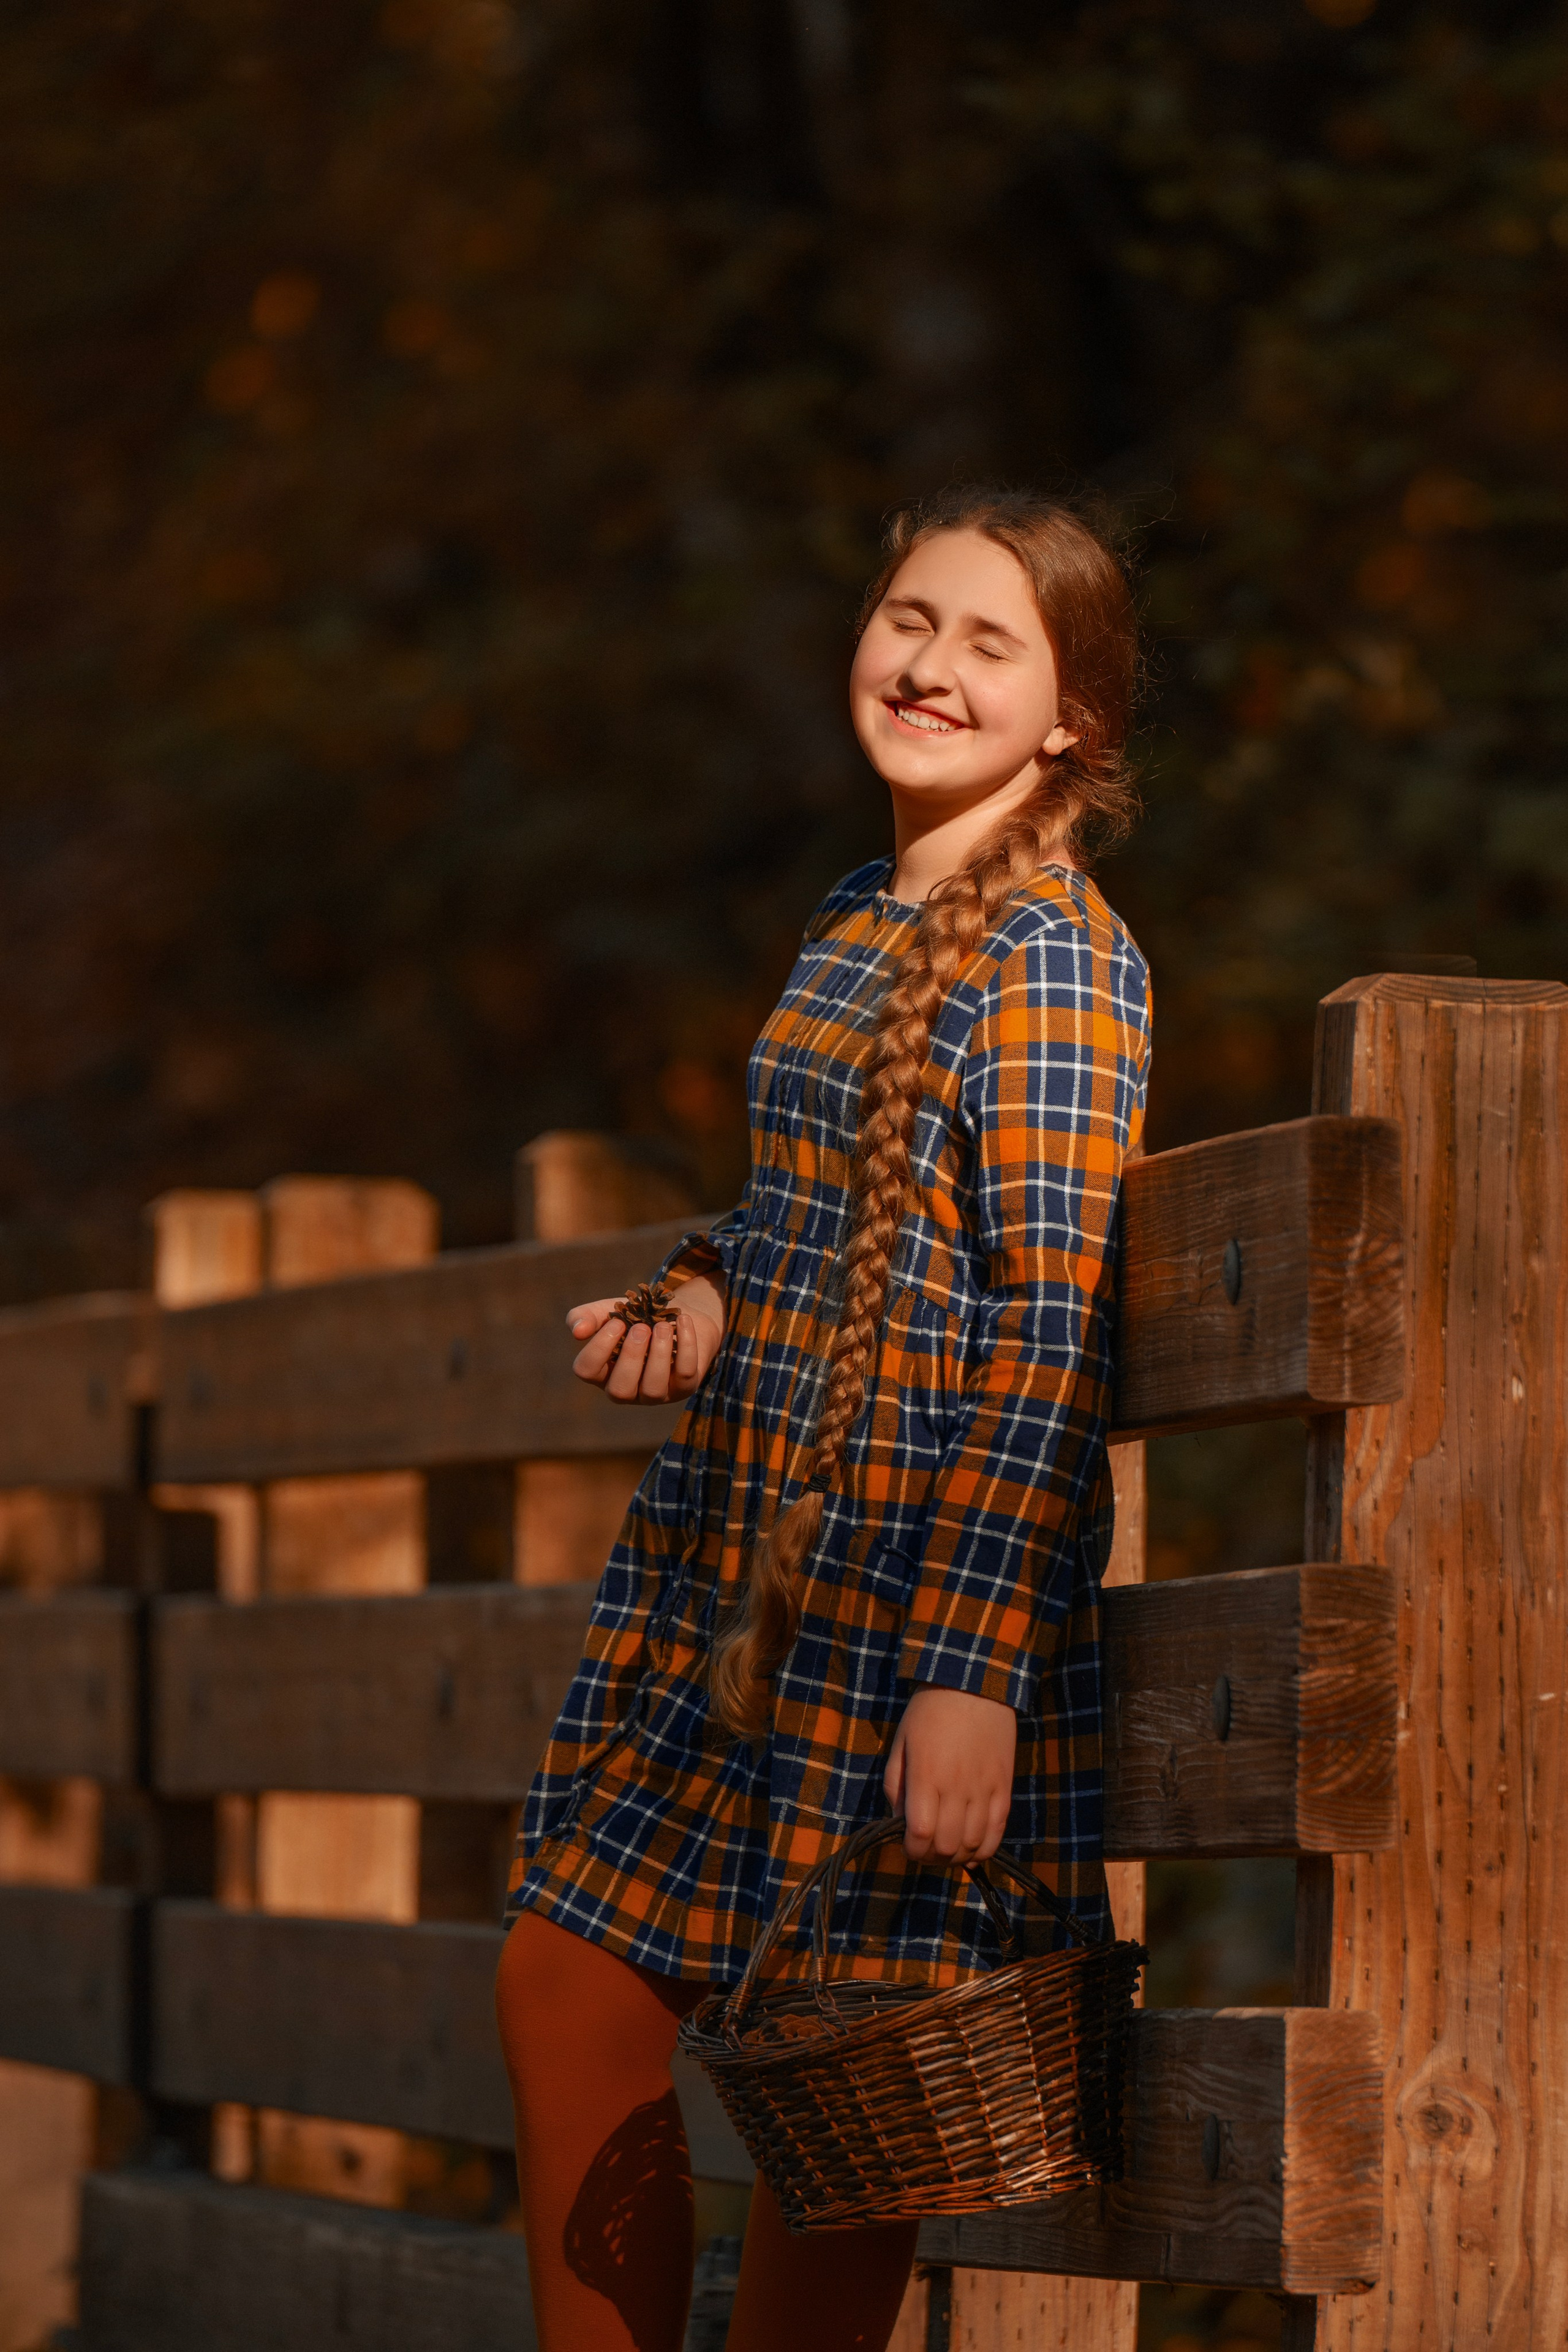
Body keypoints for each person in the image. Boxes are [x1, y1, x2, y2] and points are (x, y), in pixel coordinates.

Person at [495, 485, 1151, 2352]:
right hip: (747, 1566)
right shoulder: (859, 916)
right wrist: (704, 1292)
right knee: (567, 1980)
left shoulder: (1059, 962)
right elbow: (816, 1208)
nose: (929, 666)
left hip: (905, 1586)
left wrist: (970, 1670)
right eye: (908, 620)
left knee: (847, 2094)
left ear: (1071, 721)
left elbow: (1050, 1333)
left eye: (988, 644)